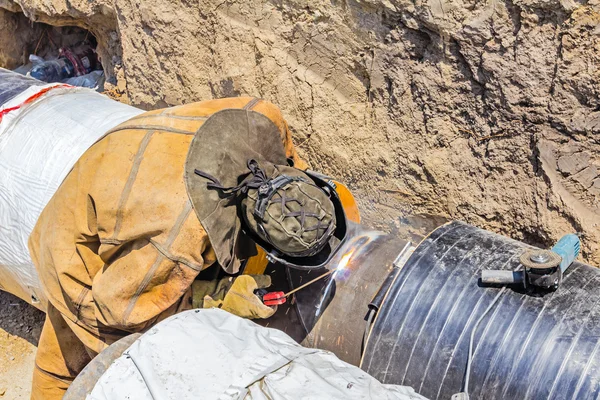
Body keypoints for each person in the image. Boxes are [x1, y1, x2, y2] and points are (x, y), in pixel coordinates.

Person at [27, 97, 345, 399]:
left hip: (136, 155)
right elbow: (122, 310)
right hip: (78, 244)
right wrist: (219, 298)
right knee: (99, 360)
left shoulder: (264, 118)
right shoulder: (178, 242)